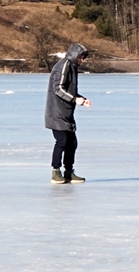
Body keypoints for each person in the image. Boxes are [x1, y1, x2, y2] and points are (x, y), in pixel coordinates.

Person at [44, 43, 91, 184]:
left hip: (66, 112)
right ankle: (56, 172)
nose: (82, 60)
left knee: (72, 143)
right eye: (81, 57)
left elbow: (68, 90)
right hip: (56, 112)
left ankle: (69, 172)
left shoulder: (72, 67)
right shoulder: (63, 65)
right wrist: (75, 99)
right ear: (75, 55)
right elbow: (58, 89)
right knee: (62, 141)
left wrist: (81, 99)